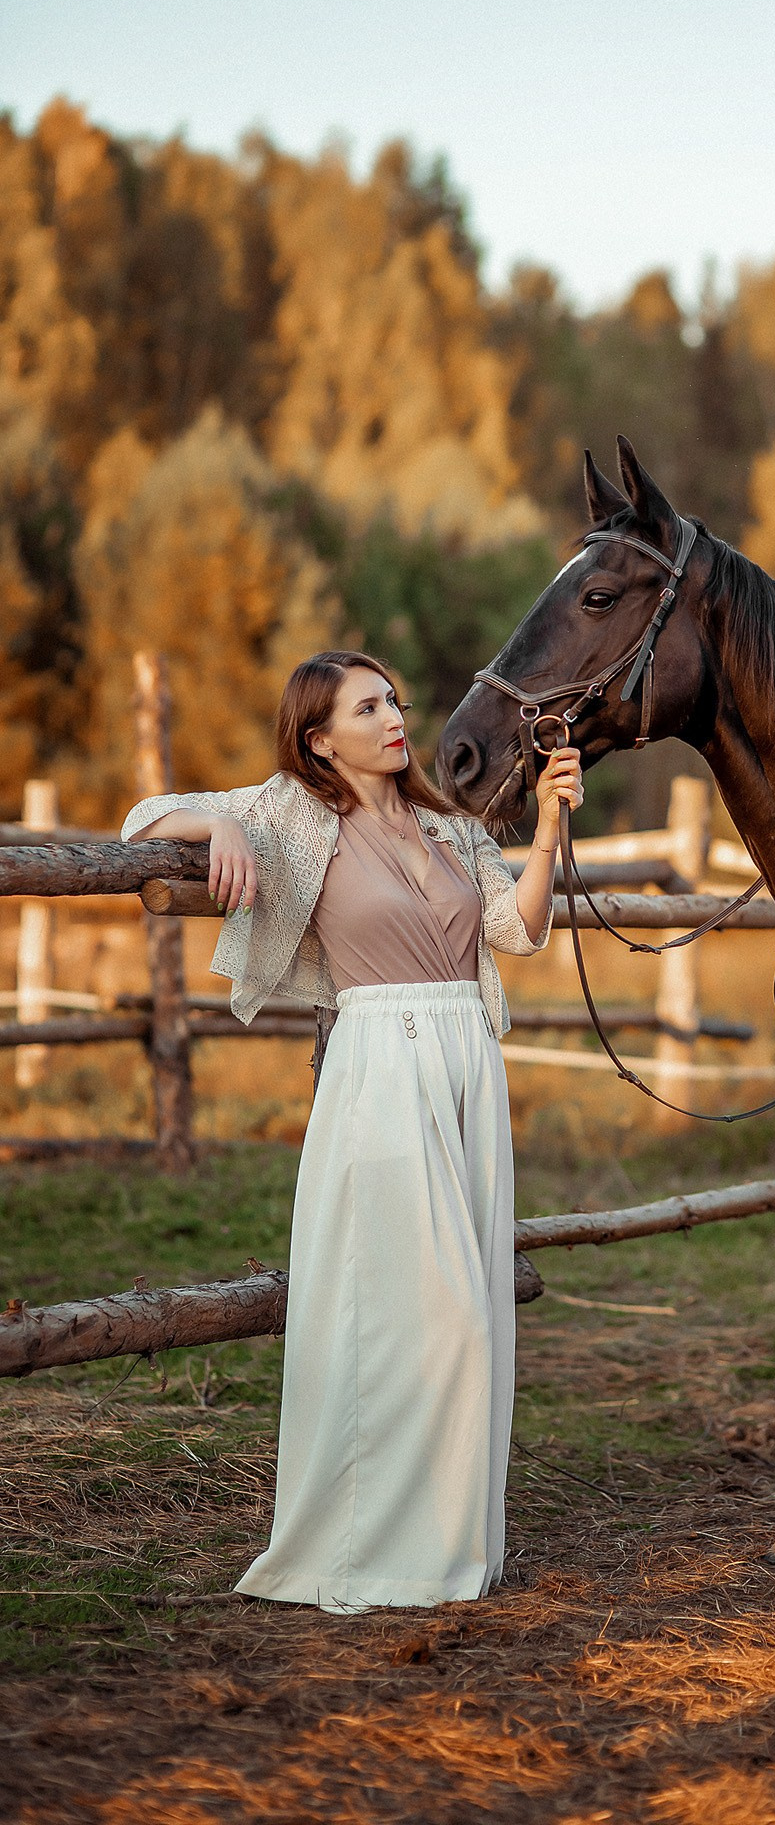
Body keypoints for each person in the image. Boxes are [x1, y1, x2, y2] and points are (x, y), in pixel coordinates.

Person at [123, 650, 582, 1613]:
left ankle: (453, 1553)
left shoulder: (449, 828)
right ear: (319, 736)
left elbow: (516, 929)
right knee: (427, 1317)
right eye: (367, 707)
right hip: (383, 1062)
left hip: (467, 1065)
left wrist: (547, 825)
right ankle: (379, 1548)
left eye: (394, 702)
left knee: (478, 1319)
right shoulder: (294, 814)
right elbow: (141, 820)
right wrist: (222, 823)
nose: (392, 718)